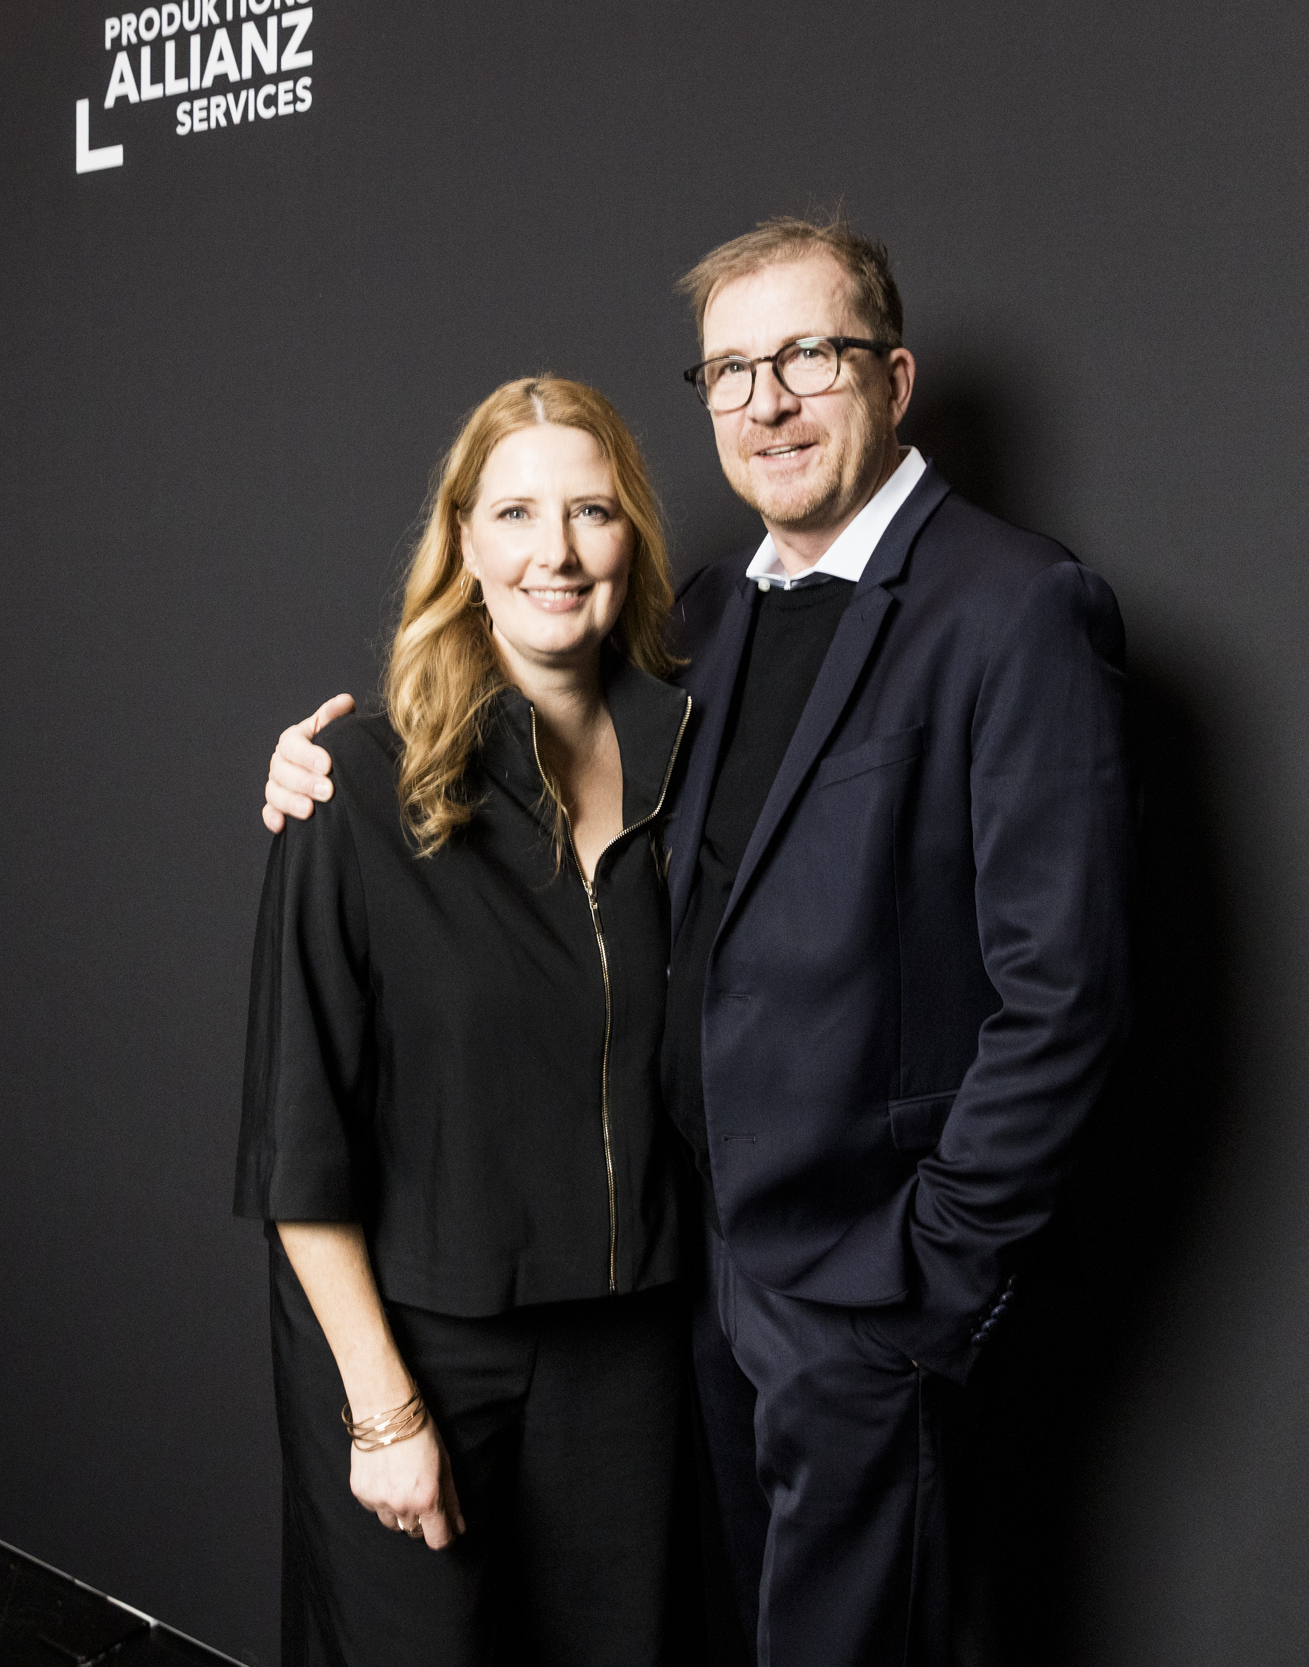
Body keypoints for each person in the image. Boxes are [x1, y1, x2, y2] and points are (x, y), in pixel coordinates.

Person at [260, 214, 1134, 1666]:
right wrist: (319, 768)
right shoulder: (711, 624)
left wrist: (928, 1279)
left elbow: (1066, 997)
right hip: (699, 1304)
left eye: (809, 357)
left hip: (862, 1295)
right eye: (731, 371)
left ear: (895, 378)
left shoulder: (1014, 606)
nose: (767, 402)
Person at [236, 375, 707, 1666]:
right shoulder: (354, 788)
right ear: (464, 544)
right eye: (515, 513)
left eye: (591, 512)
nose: (556, 551)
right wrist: (382, 1412)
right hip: (419, 1343)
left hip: (630, 1343)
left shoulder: (698, 763)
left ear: (632, 538)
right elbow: (296, 1145)